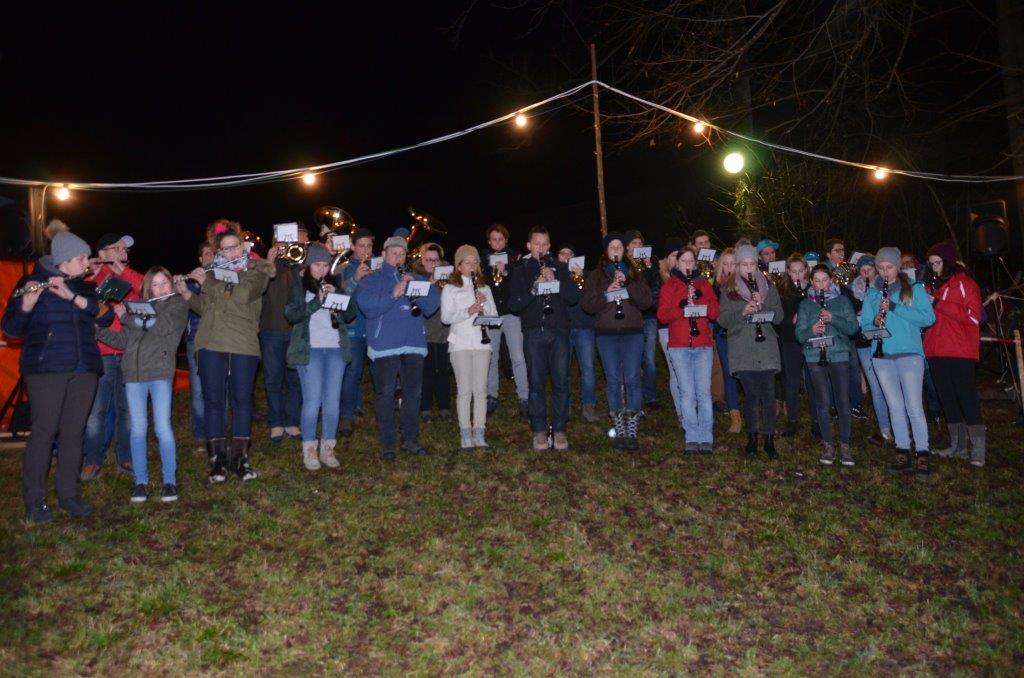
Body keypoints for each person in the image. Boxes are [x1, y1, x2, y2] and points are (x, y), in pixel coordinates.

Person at [3, 231, 111, 522]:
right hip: (46, 369)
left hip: (84, 368)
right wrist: (27, 305)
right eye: (81, 258)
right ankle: (35, 501)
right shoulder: (30, 283)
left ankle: (69, 495)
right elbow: (11, 329)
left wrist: (72, 296)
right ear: (64, 260)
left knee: (74, 432)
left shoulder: (85, 287)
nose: (87, 262)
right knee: (44, 432)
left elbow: (105, 317)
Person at [175, 230, 276, 483]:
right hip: (210, 342)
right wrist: (187, 294)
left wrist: (207, 284)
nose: (231, 253)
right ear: (219, 252)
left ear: (243, 247)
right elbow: (207, 308)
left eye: (235, 247)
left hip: (242, 343)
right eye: (225, 249)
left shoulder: (257, 271)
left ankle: (240, 459)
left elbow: (242, 296)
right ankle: (217, 461)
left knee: (242, 401)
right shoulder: (212, 273)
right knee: (213, 402)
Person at [96, 267, 188, 503]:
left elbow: (159, 326)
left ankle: (169, 481)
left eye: (164, 283)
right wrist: (96, 330)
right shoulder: (140, 308)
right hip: (133, 375)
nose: (161, 288)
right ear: (148, 288)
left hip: (159, 373)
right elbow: (123, 340)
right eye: (155, 285)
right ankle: (140, 482)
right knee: (137, 429)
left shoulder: (177, 305)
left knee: (162, 428)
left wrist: (126, 316)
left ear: (171, 283)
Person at [354, 236, 441, 461]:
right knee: (385, 395)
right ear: (383, 254)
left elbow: (432, 306)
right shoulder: (371, 279)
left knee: (413, 393)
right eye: (393, 253)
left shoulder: (415, 277)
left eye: (402, 254)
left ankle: (410, 439)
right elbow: (366, 306)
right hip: (385, 346)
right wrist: (393, 293)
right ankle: (388, 444)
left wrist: (415, 289)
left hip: (413, 343)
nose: (398, 257)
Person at [860, 247, 936, 477]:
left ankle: (922, 452)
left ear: (898, 267)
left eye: (889, 267)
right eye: (881, 268)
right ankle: (902, 449)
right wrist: (874, 322)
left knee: (914, 405)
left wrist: (895, 308)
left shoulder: (913, 288)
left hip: (909, 353)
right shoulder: (873, 293)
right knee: (894, 405)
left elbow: (928, 318)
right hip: (882, 355)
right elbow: (864, 326)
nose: (885, 272)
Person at [284, 243, 357, 470]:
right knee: (312, 400)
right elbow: (292, 315)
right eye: (317, 265)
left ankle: (328, 447)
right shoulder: (299, 286)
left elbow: (351, 314)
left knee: (332, 401)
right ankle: (309, 448)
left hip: (335, 348)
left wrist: (338, 297)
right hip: (310, 349)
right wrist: (317, 300)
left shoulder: (336, 284)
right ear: (308, 265)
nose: (322, 270)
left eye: (325, 265)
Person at [509, 225, 581, 451]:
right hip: (533, 332)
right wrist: (534, 288)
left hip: (559, 331)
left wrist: (556, 280)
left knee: (561, 382)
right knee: (536, 383)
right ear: (528, 246)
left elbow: (573, 297)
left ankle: (559, 429)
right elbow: (514, 305)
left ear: (549, 246)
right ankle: (539, 429)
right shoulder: (520, 270)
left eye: (544, 244)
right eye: (536, 244)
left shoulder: (560, 267)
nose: (540, 248)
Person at [80, 233, 143, 481]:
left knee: (127, 410)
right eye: (116, 248)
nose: (122, 252)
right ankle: (92, 460)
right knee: (96, 410)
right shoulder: (91, 277)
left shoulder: (131, 276)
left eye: (124, 248)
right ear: (102, 253)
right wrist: (93, 274)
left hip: (129, 352)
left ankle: (125, 457)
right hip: (102, 352)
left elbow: (148, 290)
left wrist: (124, 272)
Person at [582, 232, 654, 450]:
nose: (616, 251)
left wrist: (628, 284)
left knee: (632, 379)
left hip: (632, 332)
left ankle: (632, 427)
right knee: (613, 380)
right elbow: (587, 305)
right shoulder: (596, 276)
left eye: (619, 247)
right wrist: (606, 293)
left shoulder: (635, 272)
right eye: (612, 247)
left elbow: (647, 302)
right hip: (607, 334)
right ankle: (619, 426)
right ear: (606, 251)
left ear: (624, 250)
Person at [717, 244, 784, 458]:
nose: (748, 268)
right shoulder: (728, 289)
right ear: (737, 266)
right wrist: (743, 312)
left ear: (757, 265)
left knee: (769, 394)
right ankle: (752, 438)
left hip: (766, 347)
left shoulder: (768, 286)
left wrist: (763, 307)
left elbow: (779, 317)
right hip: (742, 347)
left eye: (752, 264)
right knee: (752, 395)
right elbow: (723, 320)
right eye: (744, 264)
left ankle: (769, 440)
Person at [923, 240, 985, 466]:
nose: (934, 268)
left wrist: (938, 303)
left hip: (960, 351)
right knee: (947, 398)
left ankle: (978, 449)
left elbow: (974, 317)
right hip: (936, 350)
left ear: (948, 262)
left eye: (938, 263)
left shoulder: (965, 284)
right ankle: (957, 446)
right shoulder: (931, 286)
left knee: (967, 398)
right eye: (931, 264)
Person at [657, 247, 720, 452]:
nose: (687, 265)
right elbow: (662, 316)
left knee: (704, 394)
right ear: (677, 263)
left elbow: (715, 313)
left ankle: (706, 436)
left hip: (702, 345)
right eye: (683, 261)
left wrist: (700, 299)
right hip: (679, 346)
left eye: (691, 261)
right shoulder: (669, 286)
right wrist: (682, 306)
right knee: (687, 394)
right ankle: (691, 436)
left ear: (695, 263)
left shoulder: (703, 284)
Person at [796, 264, 860, 466]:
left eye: (825, 280)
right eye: (817, 281)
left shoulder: (842, 301)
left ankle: (845, 444)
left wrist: (833, 319)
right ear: (811, 282)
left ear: (831, 280)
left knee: (842, 401)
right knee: (822, 402)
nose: (821, 285)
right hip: (814, 355)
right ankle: (828, 444)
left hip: (839, 354)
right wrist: (812, 330)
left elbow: (853, 328)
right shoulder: (806, 304)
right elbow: (799, 335)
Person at [441, 245, 499, 448]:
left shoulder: (485, 288)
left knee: (480, 390)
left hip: (482, 345)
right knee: (464, 390)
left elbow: (493, 318)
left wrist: (485, 304)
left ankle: (479, 431)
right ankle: (465, 432)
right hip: (460, 344)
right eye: (467, 263)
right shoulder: (450, 288)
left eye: (475, 263)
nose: (472, 266)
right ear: (458, 266)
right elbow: (446, 318)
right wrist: (469, 310)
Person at [260, 225, 306, 443]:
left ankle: (291, 420)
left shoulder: (299, 263)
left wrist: (298, 265)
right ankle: (276, 422)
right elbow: (258, 290)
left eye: (289, 242)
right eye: (281, 242)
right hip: (270, 329)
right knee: (273, 380)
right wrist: (269, 261)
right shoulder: (264, 265)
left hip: (295, 330)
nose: (286, 246)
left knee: (295, 379)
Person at [481, 224, 529, 417]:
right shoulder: (482, 258)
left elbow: (523, 281)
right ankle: (491, 395)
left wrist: (507, 271)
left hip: (511, 313)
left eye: (501, 239)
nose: (497, 243)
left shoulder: (516, 257)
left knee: (517, 356)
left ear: (506, 240)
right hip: (491, 314)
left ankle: (524, 397)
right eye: (494, 239)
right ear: (489, 241)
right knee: (491, 357)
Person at [850, 255, 893, 447]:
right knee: (875, 386)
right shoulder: (852, 288)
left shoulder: (884, 286)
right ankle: (884, 428)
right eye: (862, 269)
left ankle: (899, 425)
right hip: (863, 341)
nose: (866, 272)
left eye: (869, 268)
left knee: (891, 385)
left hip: (883, 339)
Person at [338, 227, 375, 437]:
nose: (365, 250)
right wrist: (355, 278)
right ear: (353, 246)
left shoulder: (376, 267)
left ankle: (370, 408)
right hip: (354, 328)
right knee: (352, 373)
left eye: (369, 246)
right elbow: (339, 297)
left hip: (374, 329)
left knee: (373, 373)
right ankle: (346, 416)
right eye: (361, 246)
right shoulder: (344, 267)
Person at [557, 243, 598, 422]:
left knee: (588, 369)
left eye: (570, 253)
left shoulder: (587, 275)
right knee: (562, 370)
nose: (566, 257)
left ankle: (589, 407)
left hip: (585, 327)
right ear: (558, 257)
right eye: (562, 253)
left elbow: (594, 297)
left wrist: (582, 279)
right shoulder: (554, 275)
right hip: (563, 328)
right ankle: (564, 407)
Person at [414, 243, 452, 421]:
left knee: (443, 370)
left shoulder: (448, 276)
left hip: (445, 332)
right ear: (422, 260)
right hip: (425, 332)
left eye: (436, 260)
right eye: (429, 260)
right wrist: (430, 284)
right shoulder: (416, 277)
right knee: (427, 371)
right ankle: (426, 408)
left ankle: (445, 407)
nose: (433, 264)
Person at [624, 230, 662, 411]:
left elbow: (655, 288)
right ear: (627, 247)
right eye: (634, 243)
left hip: (649, 317)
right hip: (631, 318)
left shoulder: (651, 263)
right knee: (633, 359)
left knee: (649, 360)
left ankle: (650, 396)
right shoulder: (623, 265)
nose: (637, 247)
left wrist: (649, 268)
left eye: (640, 243)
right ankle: (634, 397)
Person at [185, 241, 217, 453]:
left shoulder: (223, 278)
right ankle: (200, 434)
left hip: (219, 339)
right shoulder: (191, 281)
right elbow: (188, 306)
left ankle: (218, 432)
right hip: (195, 340)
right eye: (206, 253)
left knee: (220, 388)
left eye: (213, 253)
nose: (210, 257)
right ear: (200, 259)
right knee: (198, 390)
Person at [777, 254, 813, 437]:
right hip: (791, 340)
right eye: (794, 271)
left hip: (811, 340)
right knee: (791, 381)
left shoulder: (813, 289)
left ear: (806, 270)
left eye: (801, 271)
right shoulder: (782, 291)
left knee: (813, 380)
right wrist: (791, 319)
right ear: (788, 272)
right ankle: (792, 421)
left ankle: (817, 420)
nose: (798, 275)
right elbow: (777, 319)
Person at [712, 248, 742, 433]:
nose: (729, 267)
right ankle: (735, 416)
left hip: (742, 335)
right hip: (723, 335)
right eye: (726, 264)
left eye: (733, 263)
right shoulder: (715, 286)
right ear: (720, 266)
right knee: (729, 374)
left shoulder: (745, 285)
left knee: (745, 373)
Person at [656, 238, 686, 425]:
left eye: (680, 255)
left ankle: (690, 408)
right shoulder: (658, 276)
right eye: (674, 255)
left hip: (686, 326)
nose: (677, 259)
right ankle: (681, 413)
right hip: (667, 329)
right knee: (676, 370)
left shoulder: (688, 274)